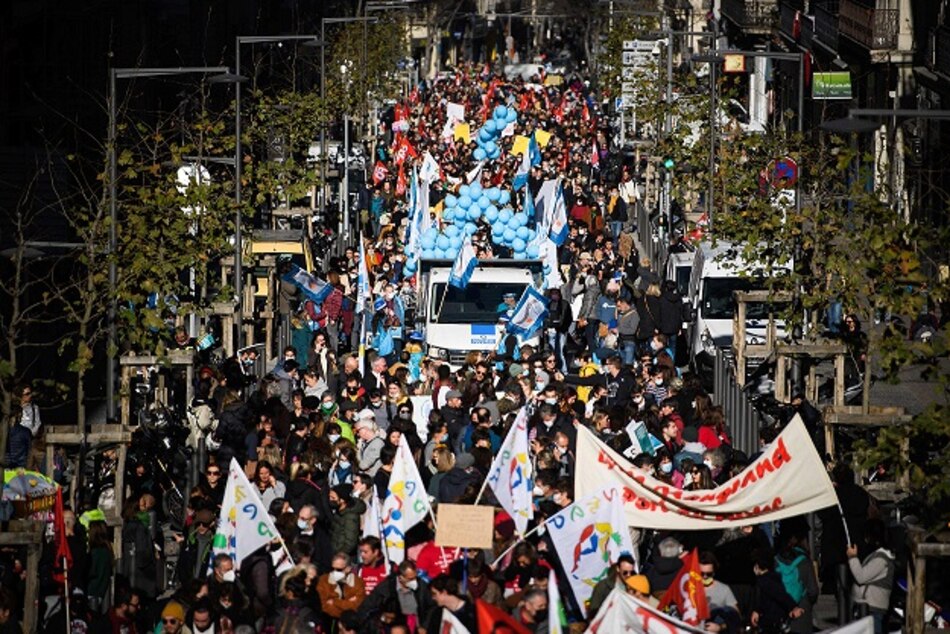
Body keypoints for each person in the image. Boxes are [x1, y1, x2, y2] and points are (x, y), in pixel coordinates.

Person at [847, 519, 895, 634]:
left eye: (867, 536)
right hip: (867, 607)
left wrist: (853, 558)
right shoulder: (876, 555)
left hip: (873, 608)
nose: (865, 540)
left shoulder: (881, 559)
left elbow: (861, 576)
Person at [750, 549, 805, 634]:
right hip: (776, 621)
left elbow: (781, 595)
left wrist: (793, 607)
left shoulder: (764, 581)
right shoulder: (774, 578)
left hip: (769, 623)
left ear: (757, 566)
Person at [316, 553, 366, 621]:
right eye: (332, 568)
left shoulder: (358, 583)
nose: (334, 572)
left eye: (338, 570)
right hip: (330, 622)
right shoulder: (323, 581)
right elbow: (323, 606)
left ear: (348, 569)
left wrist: (335, 602)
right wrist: (347, 604)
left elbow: (358, 606)